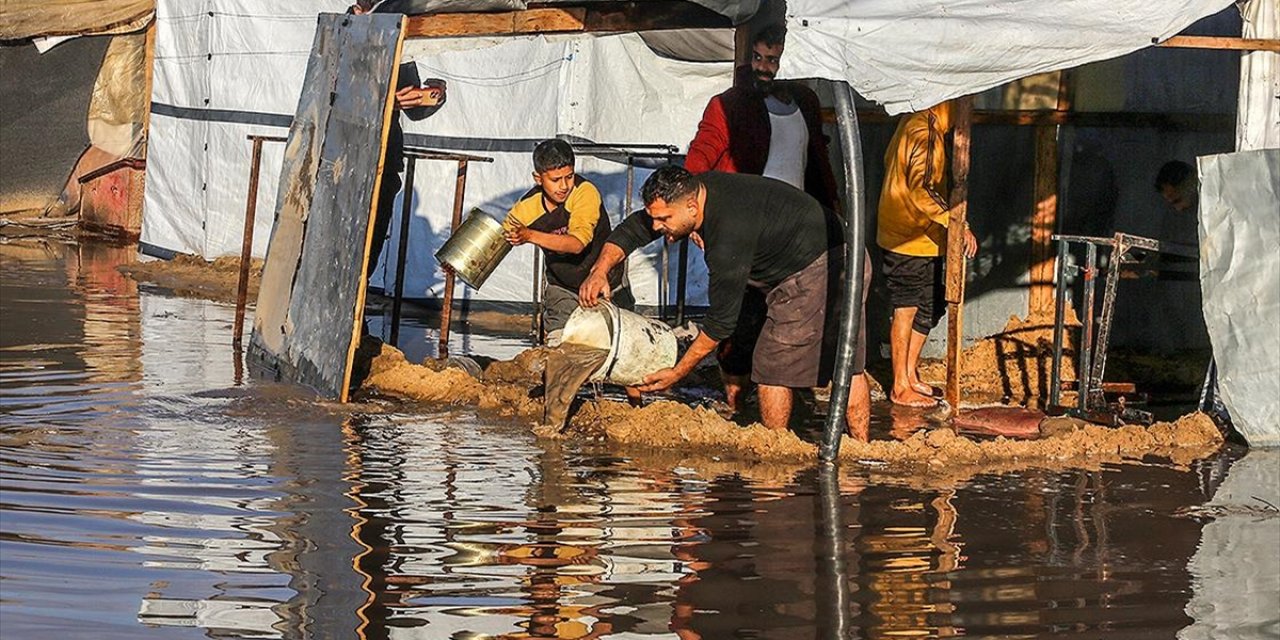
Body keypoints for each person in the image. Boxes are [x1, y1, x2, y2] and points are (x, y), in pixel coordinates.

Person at [579, 166, 871, 439]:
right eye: (654, 218)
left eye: (664, 220)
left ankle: (776, 449)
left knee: (775, 363)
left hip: (824, 266)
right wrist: (599, 271)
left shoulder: (727, 236)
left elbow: (719, 323)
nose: (656, 227)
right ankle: (741, 410)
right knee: (744, 343)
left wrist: (678, 372)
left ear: (692, 207)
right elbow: (633, 229)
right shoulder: (695, 191)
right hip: (820, 253)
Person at [684, 23, 840, 415]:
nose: (765, 67)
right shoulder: (730, 104)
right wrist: (695, 212)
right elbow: (702, 153)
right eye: (758, 58)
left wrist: (832, 207)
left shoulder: (804, 100)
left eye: (773, 59)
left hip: (796, 229)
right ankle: (734, 399)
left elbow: (817, 161)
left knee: (792, 311)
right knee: (740, 314)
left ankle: (783, 389)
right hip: (745, 226)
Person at [876, 101, 977, 408]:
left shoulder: (915, 124)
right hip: (907, 237)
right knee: (906, 306)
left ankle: (909, 373)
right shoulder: (924, 131)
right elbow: (920, 187)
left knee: (930, 305)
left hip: (922, 236)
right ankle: (899, 385)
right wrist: (956, 222)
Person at [350, 1, 448, 282]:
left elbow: (415, 107)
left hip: (384, 162)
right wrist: (383, 101)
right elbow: (334, 98)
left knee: (370, 246)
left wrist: (433, 94)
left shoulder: (394, 32)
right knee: (340, 243)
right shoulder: (339, 32)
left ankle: (357, 310)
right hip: (344, 164)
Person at [503, 139, 632, 344]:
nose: (564, 186)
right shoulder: (526, 208)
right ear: (538, 178)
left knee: (617, 344)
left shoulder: (585, 192)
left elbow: (577, 243)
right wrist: (455, 265)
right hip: (563, 286)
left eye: (569, 177)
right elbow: (496, 241)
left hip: (606, 280)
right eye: (555, 180)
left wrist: (530, 235)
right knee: (559, 345)